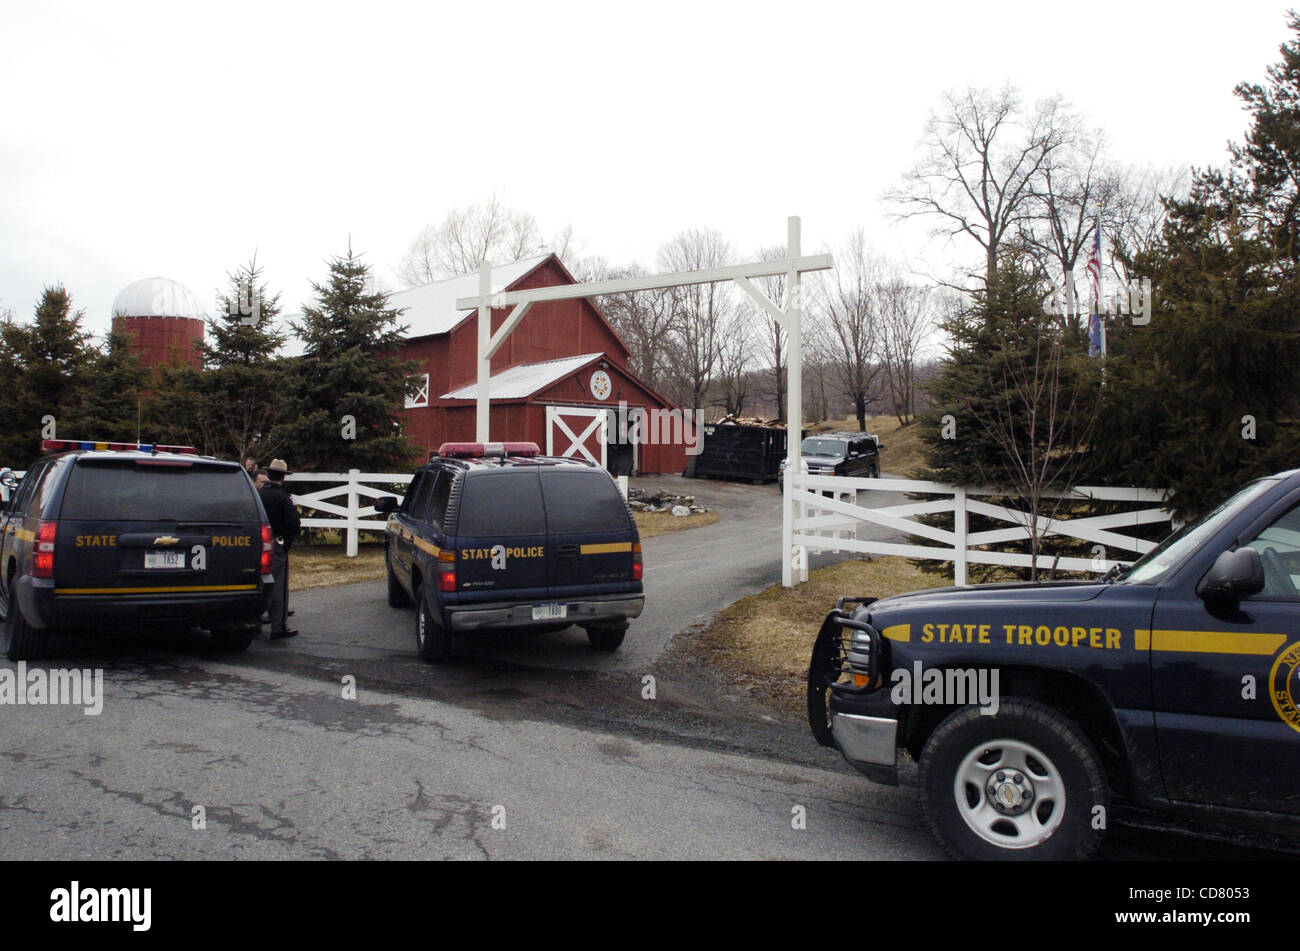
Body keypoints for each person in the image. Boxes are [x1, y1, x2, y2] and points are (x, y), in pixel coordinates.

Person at [259, 458, 300, 639]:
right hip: (275, 544)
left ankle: (254, 624)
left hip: (256, 544)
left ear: (268, 474)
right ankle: (278, 627)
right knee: (277, 587)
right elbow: (293, 523)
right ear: (283, 477)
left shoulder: (258, 495)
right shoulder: (283, 497)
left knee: (257, 584)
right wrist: (286, 545)